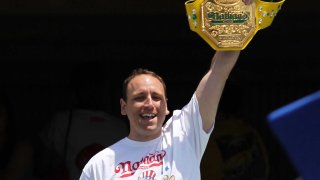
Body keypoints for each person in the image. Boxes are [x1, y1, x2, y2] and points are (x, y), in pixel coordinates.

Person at [79, 0, 254, 179]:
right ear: (124, 107)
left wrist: (242, 16)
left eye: (156, 97)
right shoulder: (99, 165)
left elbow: (218, 72)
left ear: (166, 106)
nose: (149, 103)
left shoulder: (184, 133)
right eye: (139, 97)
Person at [35, 61, 129, 180]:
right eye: (88, 85)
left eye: (95, 85)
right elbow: (43, 165)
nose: (92, 90)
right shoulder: (61, 122)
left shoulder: (61, 121)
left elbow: (43, 165)